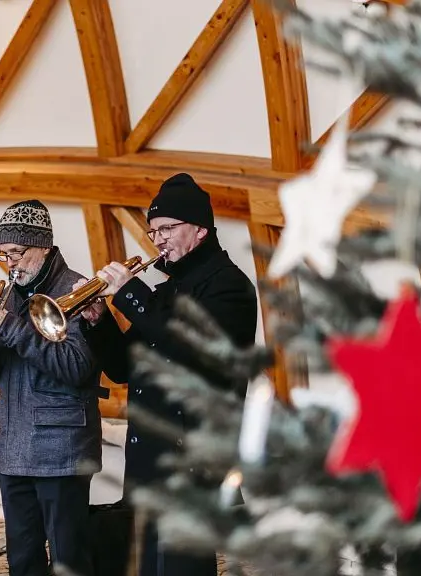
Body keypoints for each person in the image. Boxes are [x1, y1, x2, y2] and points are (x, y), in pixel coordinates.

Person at [78, 173, 259, 576]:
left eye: (166, 229)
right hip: (149, 461)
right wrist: (100, 321)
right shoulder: (165, 292)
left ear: (199, 230)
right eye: (152, 231)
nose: (157, 239)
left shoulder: (229, 286)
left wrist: (130, 293)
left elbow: (192, 351)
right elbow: (123, 367)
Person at [0, 199, 104, 576]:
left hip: (62, 450)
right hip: (15, 449)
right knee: (23, 561)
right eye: (4, 254)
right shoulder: (11, 294)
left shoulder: (76, 289)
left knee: (68, 559)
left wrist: (11, 330)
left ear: (44, 246)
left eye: (17, 252)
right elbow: (2, 376)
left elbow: (77, 367)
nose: (10, 262)